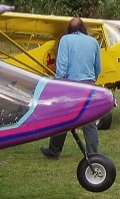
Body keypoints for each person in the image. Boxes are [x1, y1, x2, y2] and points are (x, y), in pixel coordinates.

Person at [41, 17, 103, 159]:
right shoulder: (93, 42)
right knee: (89, 122)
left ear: (69, 29)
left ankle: (54, 151)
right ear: (83, 28)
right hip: (88, 85)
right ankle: (93, 154)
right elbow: (98, 67)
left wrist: (58, 83)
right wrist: (93, 79)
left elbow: (62, 65)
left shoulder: (65, 40)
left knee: (62, 118)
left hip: (70, 85)